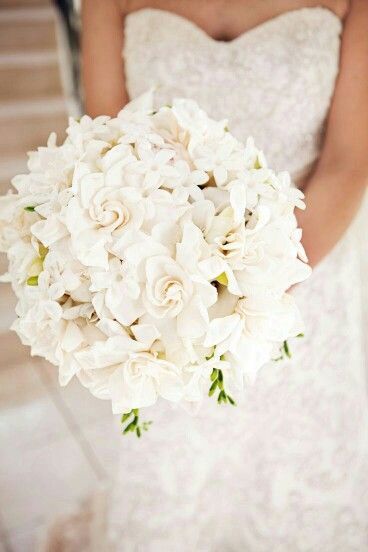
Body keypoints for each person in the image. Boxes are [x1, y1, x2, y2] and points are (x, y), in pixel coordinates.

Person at [47, 1, 368, 549]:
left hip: (307, 273)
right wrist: (175, 295)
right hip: (165, 292)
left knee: (292, 469)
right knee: (179, 468)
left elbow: (348, 160)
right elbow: (108, 145)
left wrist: (244, 288)